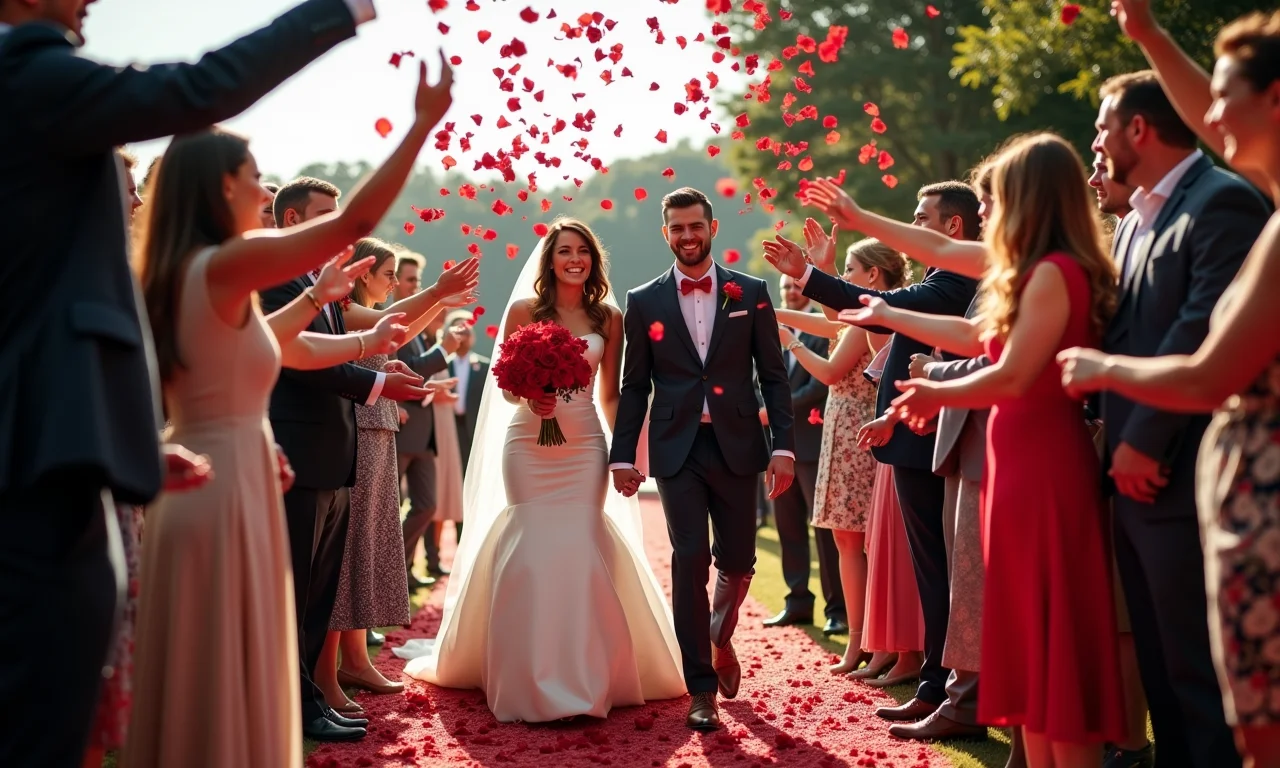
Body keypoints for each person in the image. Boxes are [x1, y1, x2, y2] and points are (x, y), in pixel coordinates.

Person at [0, 0, 375, 763]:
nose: (90, 3)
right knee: (46, 697)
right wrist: (341, 10)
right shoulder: (30, 76)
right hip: (41, 454)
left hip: (83, 445)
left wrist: (137, 436)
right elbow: (204, 85)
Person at [820, 133, 1127, 767]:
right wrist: (888, 307)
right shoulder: (1030, 268)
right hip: (1014, 461)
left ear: (1026, 199)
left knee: (1048, 646)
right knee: (1024, 643)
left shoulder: (1054, 270)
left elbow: (1013, 373)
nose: (983, 212)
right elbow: (962, 311)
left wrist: (932, 391)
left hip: (1043, 464)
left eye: (991, 199)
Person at [124, 121, 414, 767]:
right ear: (221, 185)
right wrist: (421, 123)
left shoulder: (186, 269)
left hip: (219, 477)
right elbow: (357, 220)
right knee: (229, 658)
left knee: (214, 663)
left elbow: (285, 346)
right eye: (255, 177)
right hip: (223, 485)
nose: (262, 193)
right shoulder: (225, 262)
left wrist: (333, 310)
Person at [1060, 7, 1280, 766]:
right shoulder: (1130, 222)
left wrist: (1140, 440)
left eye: (1102, 128)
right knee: (1164, 666)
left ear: (1139, 130)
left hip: (1183, 469)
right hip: (1142, 471)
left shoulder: (1225, 203)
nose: (1214, 115)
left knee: (1209, 682)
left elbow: (1199, 338)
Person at [258, 58, 478, 744]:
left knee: (319, 596)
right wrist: (382, 380)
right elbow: (308, 365)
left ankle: (312, 699)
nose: (339, 228)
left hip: (334, 456)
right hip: (294, 451)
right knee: (294, 597)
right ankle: (295, 704)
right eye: (325, 217)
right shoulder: (271, 279)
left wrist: (436, 297)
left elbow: (372, 330)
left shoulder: (322, 287)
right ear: (293, 218)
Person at [395, 217, 686, 723]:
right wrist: (532, 394)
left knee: (576, 549)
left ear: (594, 260)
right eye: (564, 251)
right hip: (529, 443)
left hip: (584, 447)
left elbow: (611, 394)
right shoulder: (525, 310)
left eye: (583, 251)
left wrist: (623, 456)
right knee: (531, 549)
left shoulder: (608, 318)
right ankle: (526, 669)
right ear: (549, 260)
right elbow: (506, 388)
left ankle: (583, 672)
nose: (575, 259)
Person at [764, 182, 980, 726]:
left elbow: (875, 312)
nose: (911, 226)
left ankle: (944, 686)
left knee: (940, 571)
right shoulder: (944, 276)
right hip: (908, 436)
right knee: (933, 570)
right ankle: (937, 681)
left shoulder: (957, 278)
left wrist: (811, 277)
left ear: (953, 227)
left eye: (920, 216)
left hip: (928, 439)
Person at [609, 188, 797, 731]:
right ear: (664, 232)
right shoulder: (642, 300)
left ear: (712, 226)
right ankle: (701, 688)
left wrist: (782, 447)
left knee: (737, 561)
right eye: (677, 228)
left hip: (739, 444)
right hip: (677, 449)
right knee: (689, 556)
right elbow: (634, 384)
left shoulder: (752, 291)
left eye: (695, 226)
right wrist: (624, 456)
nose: (687, 236)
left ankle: (718, 635)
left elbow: (774, 377)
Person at [775, 233, 909, 675]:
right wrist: (772, 311)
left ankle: (866, 642)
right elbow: (832, 322)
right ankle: (868, 641)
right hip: (844, 429)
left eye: (850, 271)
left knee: (856, 543)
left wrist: (789, 341)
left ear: (872, 274)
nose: (845, 278)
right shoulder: (864, 315)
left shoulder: (879, 315)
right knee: (848, 542)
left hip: (857, 433)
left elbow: (832, 371)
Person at [764, 270, 846, 637]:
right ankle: (797, 601)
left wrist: (770, 410)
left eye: (796, 285)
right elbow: (754, 378)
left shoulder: (823, 329)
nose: (791, 291)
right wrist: (756, 409)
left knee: (824, 531)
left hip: (813, 444)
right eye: (785, 287)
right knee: (788, 526)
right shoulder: (767, 334)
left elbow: (818, 387)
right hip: (777, 448)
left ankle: (837, 608)